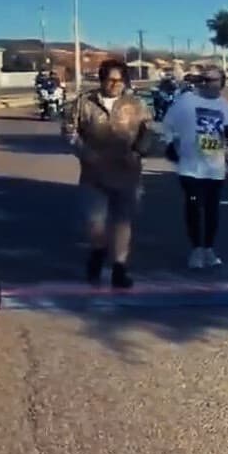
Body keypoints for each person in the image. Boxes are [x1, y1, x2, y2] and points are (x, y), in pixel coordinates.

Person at [63, 59, 152, 288]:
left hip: (127, 173)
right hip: (94, 174)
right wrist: (83, 152)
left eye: (120, 80)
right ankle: (98, 251)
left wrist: (140, 151)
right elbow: (69, 131)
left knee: (123, 223)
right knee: (95, 223)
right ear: (102, 79)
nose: (116, 84)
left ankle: (120, 269)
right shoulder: (85, 103)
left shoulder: (136, 104)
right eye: (111, 80)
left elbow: (148, 132)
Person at [162, 66, 228, 269]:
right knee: (194, 205)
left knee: (212, 210)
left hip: (215, 169)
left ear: (221, 84)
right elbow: (168, 124)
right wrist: (169, 143)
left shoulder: (226, 107)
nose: (205, 83)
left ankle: (209, 249)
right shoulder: (186, 101)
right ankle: (196, 249)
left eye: (211, 80)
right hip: (190, 168)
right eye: (203, 79)